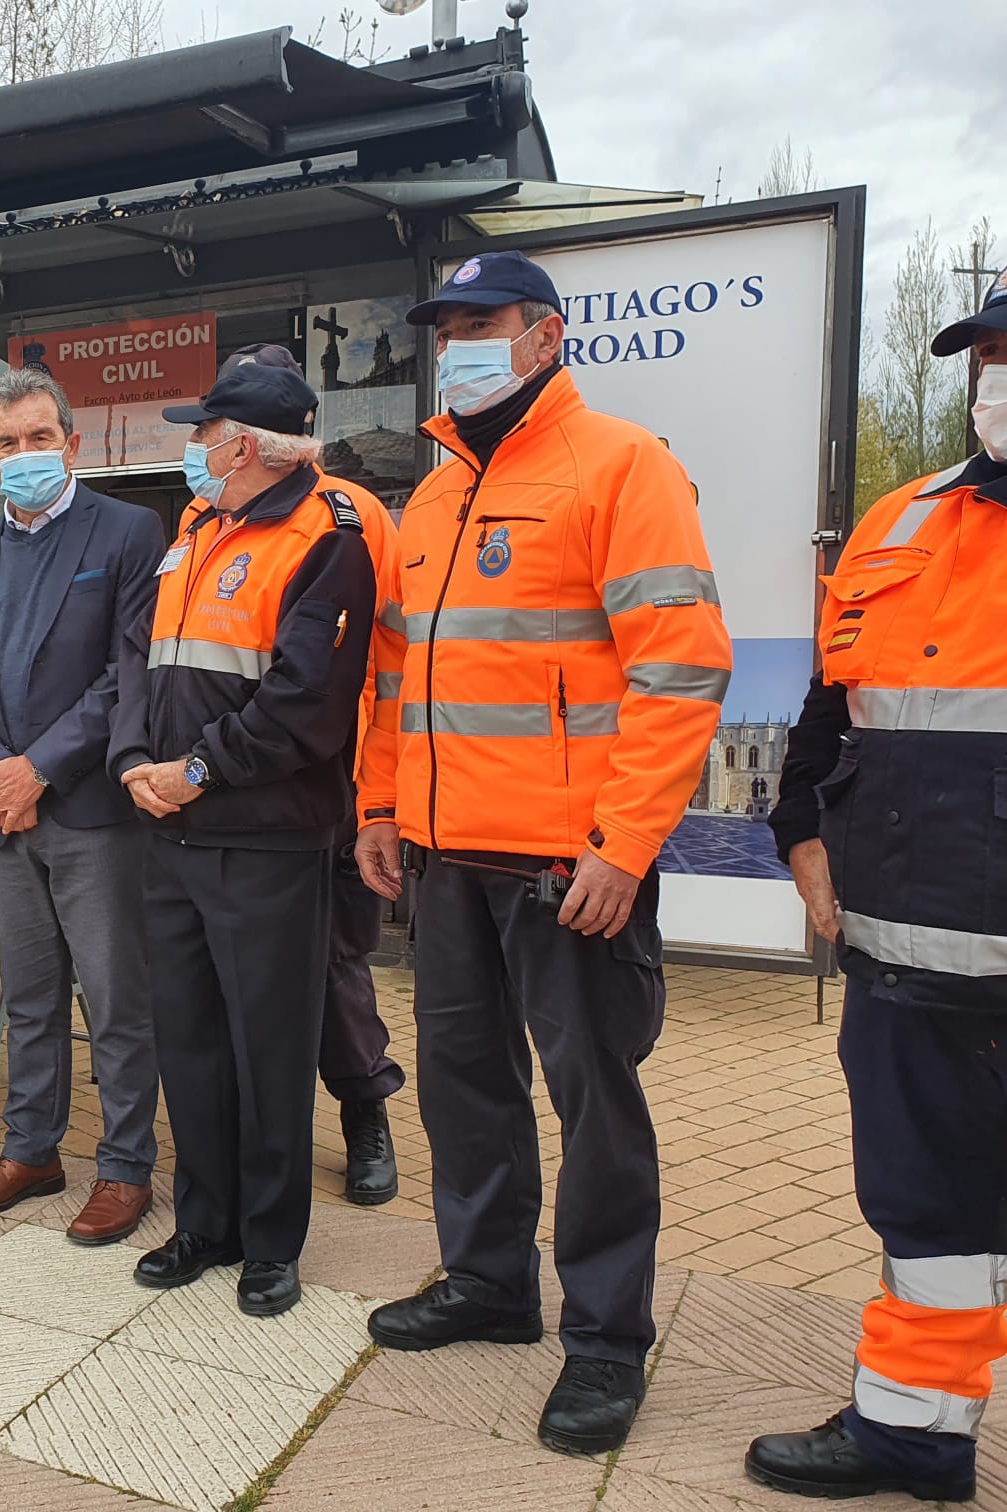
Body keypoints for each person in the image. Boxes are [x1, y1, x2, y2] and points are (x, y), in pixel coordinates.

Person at [354, 250, 730, 1456]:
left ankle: (608, 1340)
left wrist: (626, 844)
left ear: (545, 336)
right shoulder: (430, 495)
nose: (455, 340)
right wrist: (380, 810)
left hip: (571, 866)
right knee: (466, 1087)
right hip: (445, 856)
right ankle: (489, 1284)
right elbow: (396, 680)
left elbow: (680, 672)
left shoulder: (623, 466)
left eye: (480, 321)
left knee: (596, 1106)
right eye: (444, 324)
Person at [742, 276, 1007, 1505]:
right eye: (988, 354)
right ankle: (914, 1433)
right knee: (925, 1212)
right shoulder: (903, 523)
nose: (997, 377)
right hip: (905, 959)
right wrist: (797, 831)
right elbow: (829, 709)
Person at [107, 359, 376, 1317]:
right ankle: (205, 1223)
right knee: (190, 1041)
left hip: (263, 837)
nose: (191, 449)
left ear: (246, 446)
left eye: (203, 432)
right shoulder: (197, 527)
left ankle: (271, 1243)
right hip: (170, 834)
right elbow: (140, 654)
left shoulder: (327, 541)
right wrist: (135, 752)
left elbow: (307, 705)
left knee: (269, 1050)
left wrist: (197, 771)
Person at [0, 369, 166, 1243]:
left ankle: (124, 1165)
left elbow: (128, 671)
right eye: (7, 443)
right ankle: (32, 1149)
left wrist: (40, 767)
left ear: (73, 445)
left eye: (40, 439)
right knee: (28, 998)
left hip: (90, 812)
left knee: (115, 999)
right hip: (7, 812)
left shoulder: (129, 531)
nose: (24, 456)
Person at [221, 343, 406, 1206]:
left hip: (336, 780)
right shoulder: (210, 519)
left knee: (333, 963)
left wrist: (379, 795)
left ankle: (365, 1107)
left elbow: (389, 664)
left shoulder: (354, 514)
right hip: (240, 784)